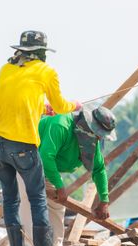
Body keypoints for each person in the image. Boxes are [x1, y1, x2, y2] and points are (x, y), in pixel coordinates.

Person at [0, 30, 80, 246]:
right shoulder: (46, 71)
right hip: (23, 144)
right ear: (41, 52)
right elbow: (60, 107)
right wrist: (74, 106)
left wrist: (40, 107)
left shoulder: (6, 69)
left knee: (10, 199)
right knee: (37, 199)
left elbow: (19, 99)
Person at [18, 105, 117, 246]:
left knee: (56, 210)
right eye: (98, 133)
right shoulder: (60, 124)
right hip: (26, 162)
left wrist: (104, 200)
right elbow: (45, 157)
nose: (99, 137)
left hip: (47, 170)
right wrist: (59, 186)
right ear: (88, 124)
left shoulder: (90, 139)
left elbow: (99, 169)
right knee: (30, 211)